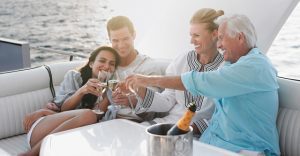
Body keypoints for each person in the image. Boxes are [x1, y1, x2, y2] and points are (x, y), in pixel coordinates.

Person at [125, 14, 280, 155]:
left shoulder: (255, 66)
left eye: (221, 38)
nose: (218, 45)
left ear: (240, 38)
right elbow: (220, 116)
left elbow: (203, 82)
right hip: (214, 143)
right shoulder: (230, 64)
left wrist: (147, 80)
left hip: (246, 149)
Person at [122, 8, 224, 137]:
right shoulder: (182, 60)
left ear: (215, 34)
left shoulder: (225, 69)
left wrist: (189, 129)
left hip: (202, 134)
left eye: (196, 35)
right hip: (168, 124)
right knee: (131, 137)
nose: (191, 41)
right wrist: (140, 91)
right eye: (191, 35)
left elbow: (222, 116)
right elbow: (167, 100)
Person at [20, 46, 120, 156]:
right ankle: (31, 154)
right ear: (91, 63)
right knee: (89, 114)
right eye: (102, 61)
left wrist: (108, 93)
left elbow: (96, 121)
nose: (107, 66)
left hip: (71, 139)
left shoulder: (111, 90)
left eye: (112, 63)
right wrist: (82, 91)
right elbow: (64, 109)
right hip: (43, 132)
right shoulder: (74, 76)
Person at [105, 16, 165, 121]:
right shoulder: (108, 65)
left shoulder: (150, 67)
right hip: (107, 121)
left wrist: (131, 100)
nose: (121, 45)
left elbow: (152, 111)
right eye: (115, 40)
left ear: (134, 35)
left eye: (125, 39)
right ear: (109, 39)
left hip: (136, 125)